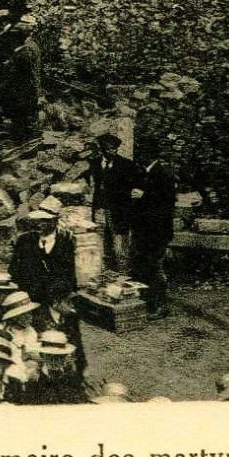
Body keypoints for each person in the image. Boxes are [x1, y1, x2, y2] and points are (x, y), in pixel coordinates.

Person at [129, 135, 177, 318]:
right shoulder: (144, 172)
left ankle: (160, 305)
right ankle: (150, 303)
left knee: (155, 267)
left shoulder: (163, 174)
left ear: (150, 154)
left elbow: (166, 205)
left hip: (157, 231)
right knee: (144, 266)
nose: (139, 156)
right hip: (144, 230)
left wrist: (144, 197)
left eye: (142, 153)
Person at [88, 133, 136, 273]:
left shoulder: (126, 164)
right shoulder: (95, 164)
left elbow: (131, 188)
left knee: (119, 244)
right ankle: (101, 273)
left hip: (118, 211)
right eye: (108, 148)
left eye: (114, 148)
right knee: (99, 241)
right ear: (102, 149)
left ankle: (123, 274)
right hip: (100, 209)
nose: (112, 151)